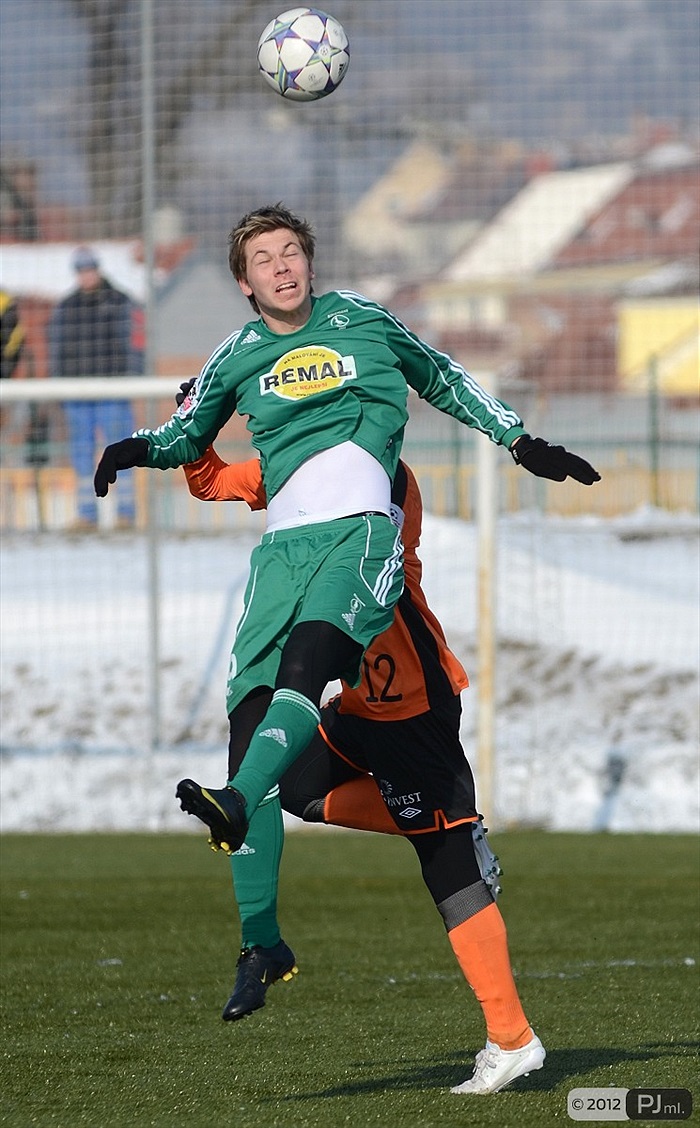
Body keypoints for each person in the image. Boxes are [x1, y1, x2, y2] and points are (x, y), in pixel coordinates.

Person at [94, 202, 598, 1090]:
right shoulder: (252, 388)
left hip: (400, 675)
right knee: (281, 764)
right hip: (309, 614)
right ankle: (263, 934)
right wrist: (149, 445)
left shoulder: (371, 422)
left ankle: (512, 1035)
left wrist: (523, 442)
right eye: (265, 257)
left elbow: (441, 376)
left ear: (311, 264)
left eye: (294, 250)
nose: (283, 265)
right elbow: (213, 466)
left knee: (435, 846)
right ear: (245, 281)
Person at [180, 427, 543, 1096]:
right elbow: (212, 482)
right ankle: (445, 822)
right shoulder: (301, 455)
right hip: (357, 709)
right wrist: (193, 433)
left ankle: (512, 1037)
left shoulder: (381, 472)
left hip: (409, 707)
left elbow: (362, 537)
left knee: (450, 879)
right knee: (291, 779)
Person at [48, 246, 144, 529]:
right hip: (78, 392)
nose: (85, 275)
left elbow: (136, 342)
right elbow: (57, 349)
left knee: (120, 450)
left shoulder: (120, 302)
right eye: (80, 270)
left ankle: (126, 513)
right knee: (81, 453)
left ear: (97, 269)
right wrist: (59, 386)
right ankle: (87, 513)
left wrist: (132, 379)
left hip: (112, 389)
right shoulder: (67, 307)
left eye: (89, 269)